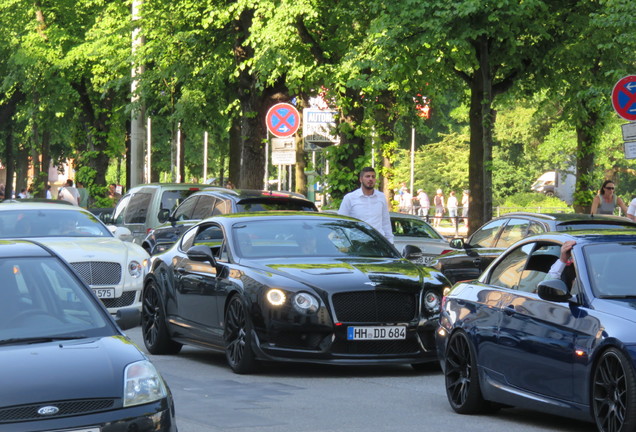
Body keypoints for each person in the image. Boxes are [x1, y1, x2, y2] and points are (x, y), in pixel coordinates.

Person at [338, 166, 394, 243]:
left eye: (373, 177)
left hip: (378, 242)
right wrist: (344, 243)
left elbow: (386, 222)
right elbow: (341, 222)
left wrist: (390, 242)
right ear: (361, 179)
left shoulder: (381, 197)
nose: (370, 179)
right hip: (357, 242)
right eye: (367, 176)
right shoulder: (350, 198)